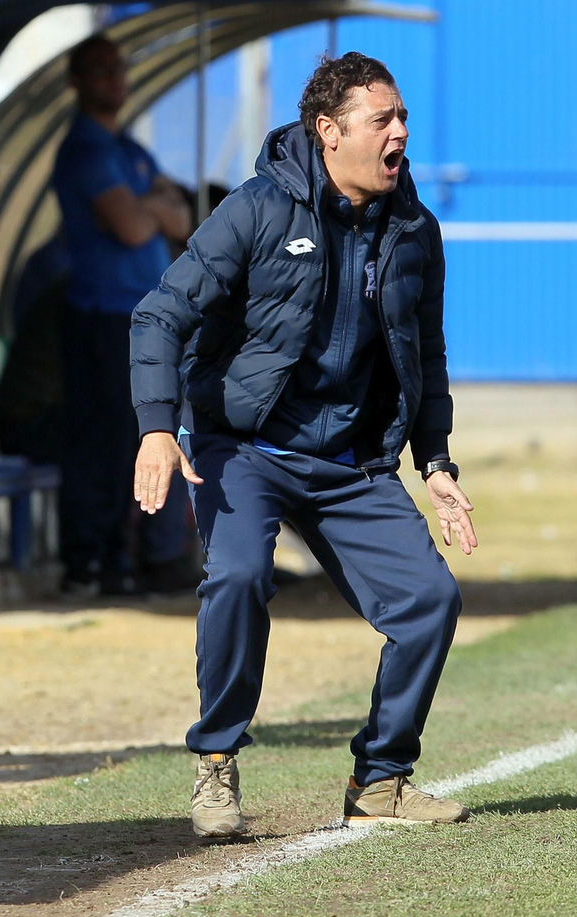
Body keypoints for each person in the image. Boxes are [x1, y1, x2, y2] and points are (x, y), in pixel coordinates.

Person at [130, 52, 478, 837]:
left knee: (429, 602)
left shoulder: (416, 231)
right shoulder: (256, 210)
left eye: (403, 118)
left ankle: (382, 780)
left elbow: (426, 351)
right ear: (329, 131)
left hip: (350, 462)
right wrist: (157, 425)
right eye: (382, 118)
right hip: (243, 447)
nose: (401, 132)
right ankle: (216, 762)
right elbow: (158, 315)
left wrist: (437, 461)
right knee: (242, 573)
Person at [52, 33, 199, 598]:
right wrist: (152, 209)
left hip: (146, 320)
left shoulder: (129, 149)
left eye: (119, 70)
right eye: (101, 72)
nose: (115, 80)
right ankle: (87, 563)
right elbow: (134, 225)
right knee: (105, 443)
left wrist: (153, 206)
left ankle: (128, 559)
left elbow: (180, 213)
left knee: (145, 436)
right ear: (78, 82)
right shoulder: (86, 150)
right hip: (102, 318)